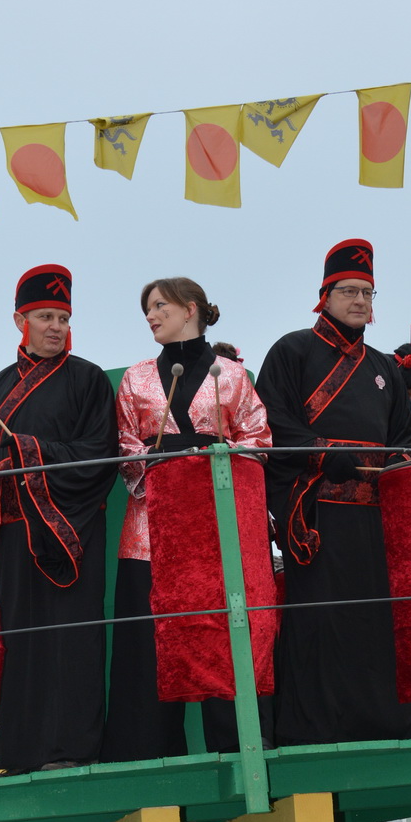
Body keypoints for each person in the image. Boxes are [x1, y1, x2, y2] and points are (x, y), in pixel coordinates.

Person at [256, 239, 411, 748]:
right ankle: (314, 730)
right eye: (349, 291)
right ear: (323, 295)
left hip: (373, 518)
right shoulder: (291, 351)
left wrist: (395, 467)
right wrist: (330, 455)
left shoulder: (384, 368)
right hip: (317, 513)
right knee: (321, 621)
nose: (359, 301)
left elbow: (407, 439)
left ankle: (384, 725)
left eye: (368, 293)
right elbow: (274, 427)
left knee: (375, 618)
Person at [103, 277, 271, 762]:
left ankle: (237, 743)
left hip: (217, 532)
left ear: (189, 308)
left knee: (223, 633)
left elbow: (259, 441)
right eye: (147, 310)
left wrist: (209, 453)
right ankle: (147, 753)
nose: (151, 316)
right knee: (147, 645)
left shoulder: (233, 376)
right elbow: (125, 446)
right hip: (150, 532)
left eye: (159, 306)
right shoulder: (134, 379)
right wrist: (173, 456)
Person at [0, 265, 119, 774]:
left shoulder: (89, 381)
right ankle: (19, 751)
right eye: (45, 317)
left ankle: (74, 748)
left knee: (73, 640)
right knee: (21, 641)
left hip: (71, 532)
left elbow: (100, 456)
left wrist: (30, 452)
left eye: (62, 317)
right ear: (20, 320)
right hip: (12, 540)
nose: (56, 326)